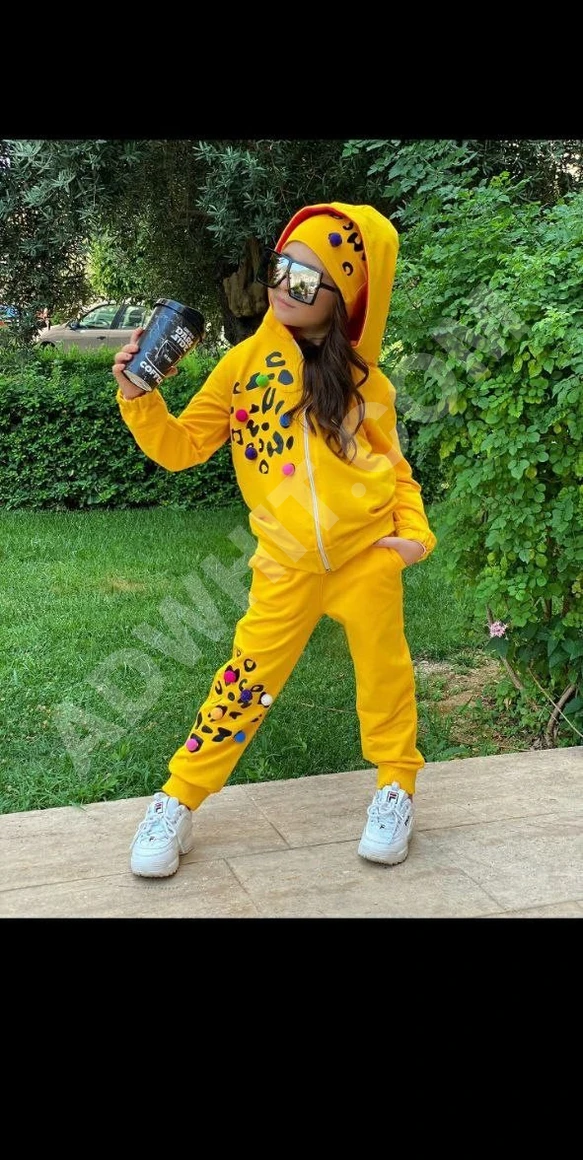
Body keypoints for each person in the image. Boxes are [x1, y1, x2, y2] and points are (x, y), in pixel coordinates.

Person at [112, 202, 438, 878]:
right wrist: (139, 397)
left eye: (306, 280)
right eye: (281, 269)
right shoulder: (242, 368)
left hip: (366, 558)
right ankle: (178, 798)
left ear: (343, 299)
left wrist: (411, 538)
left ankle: (395, 788)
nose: (285, 286)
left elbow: (396, 470)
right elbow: (181, 448)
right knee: (243, 683)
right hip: (284, 567)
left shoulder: (365, 383)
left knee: (385, 677)